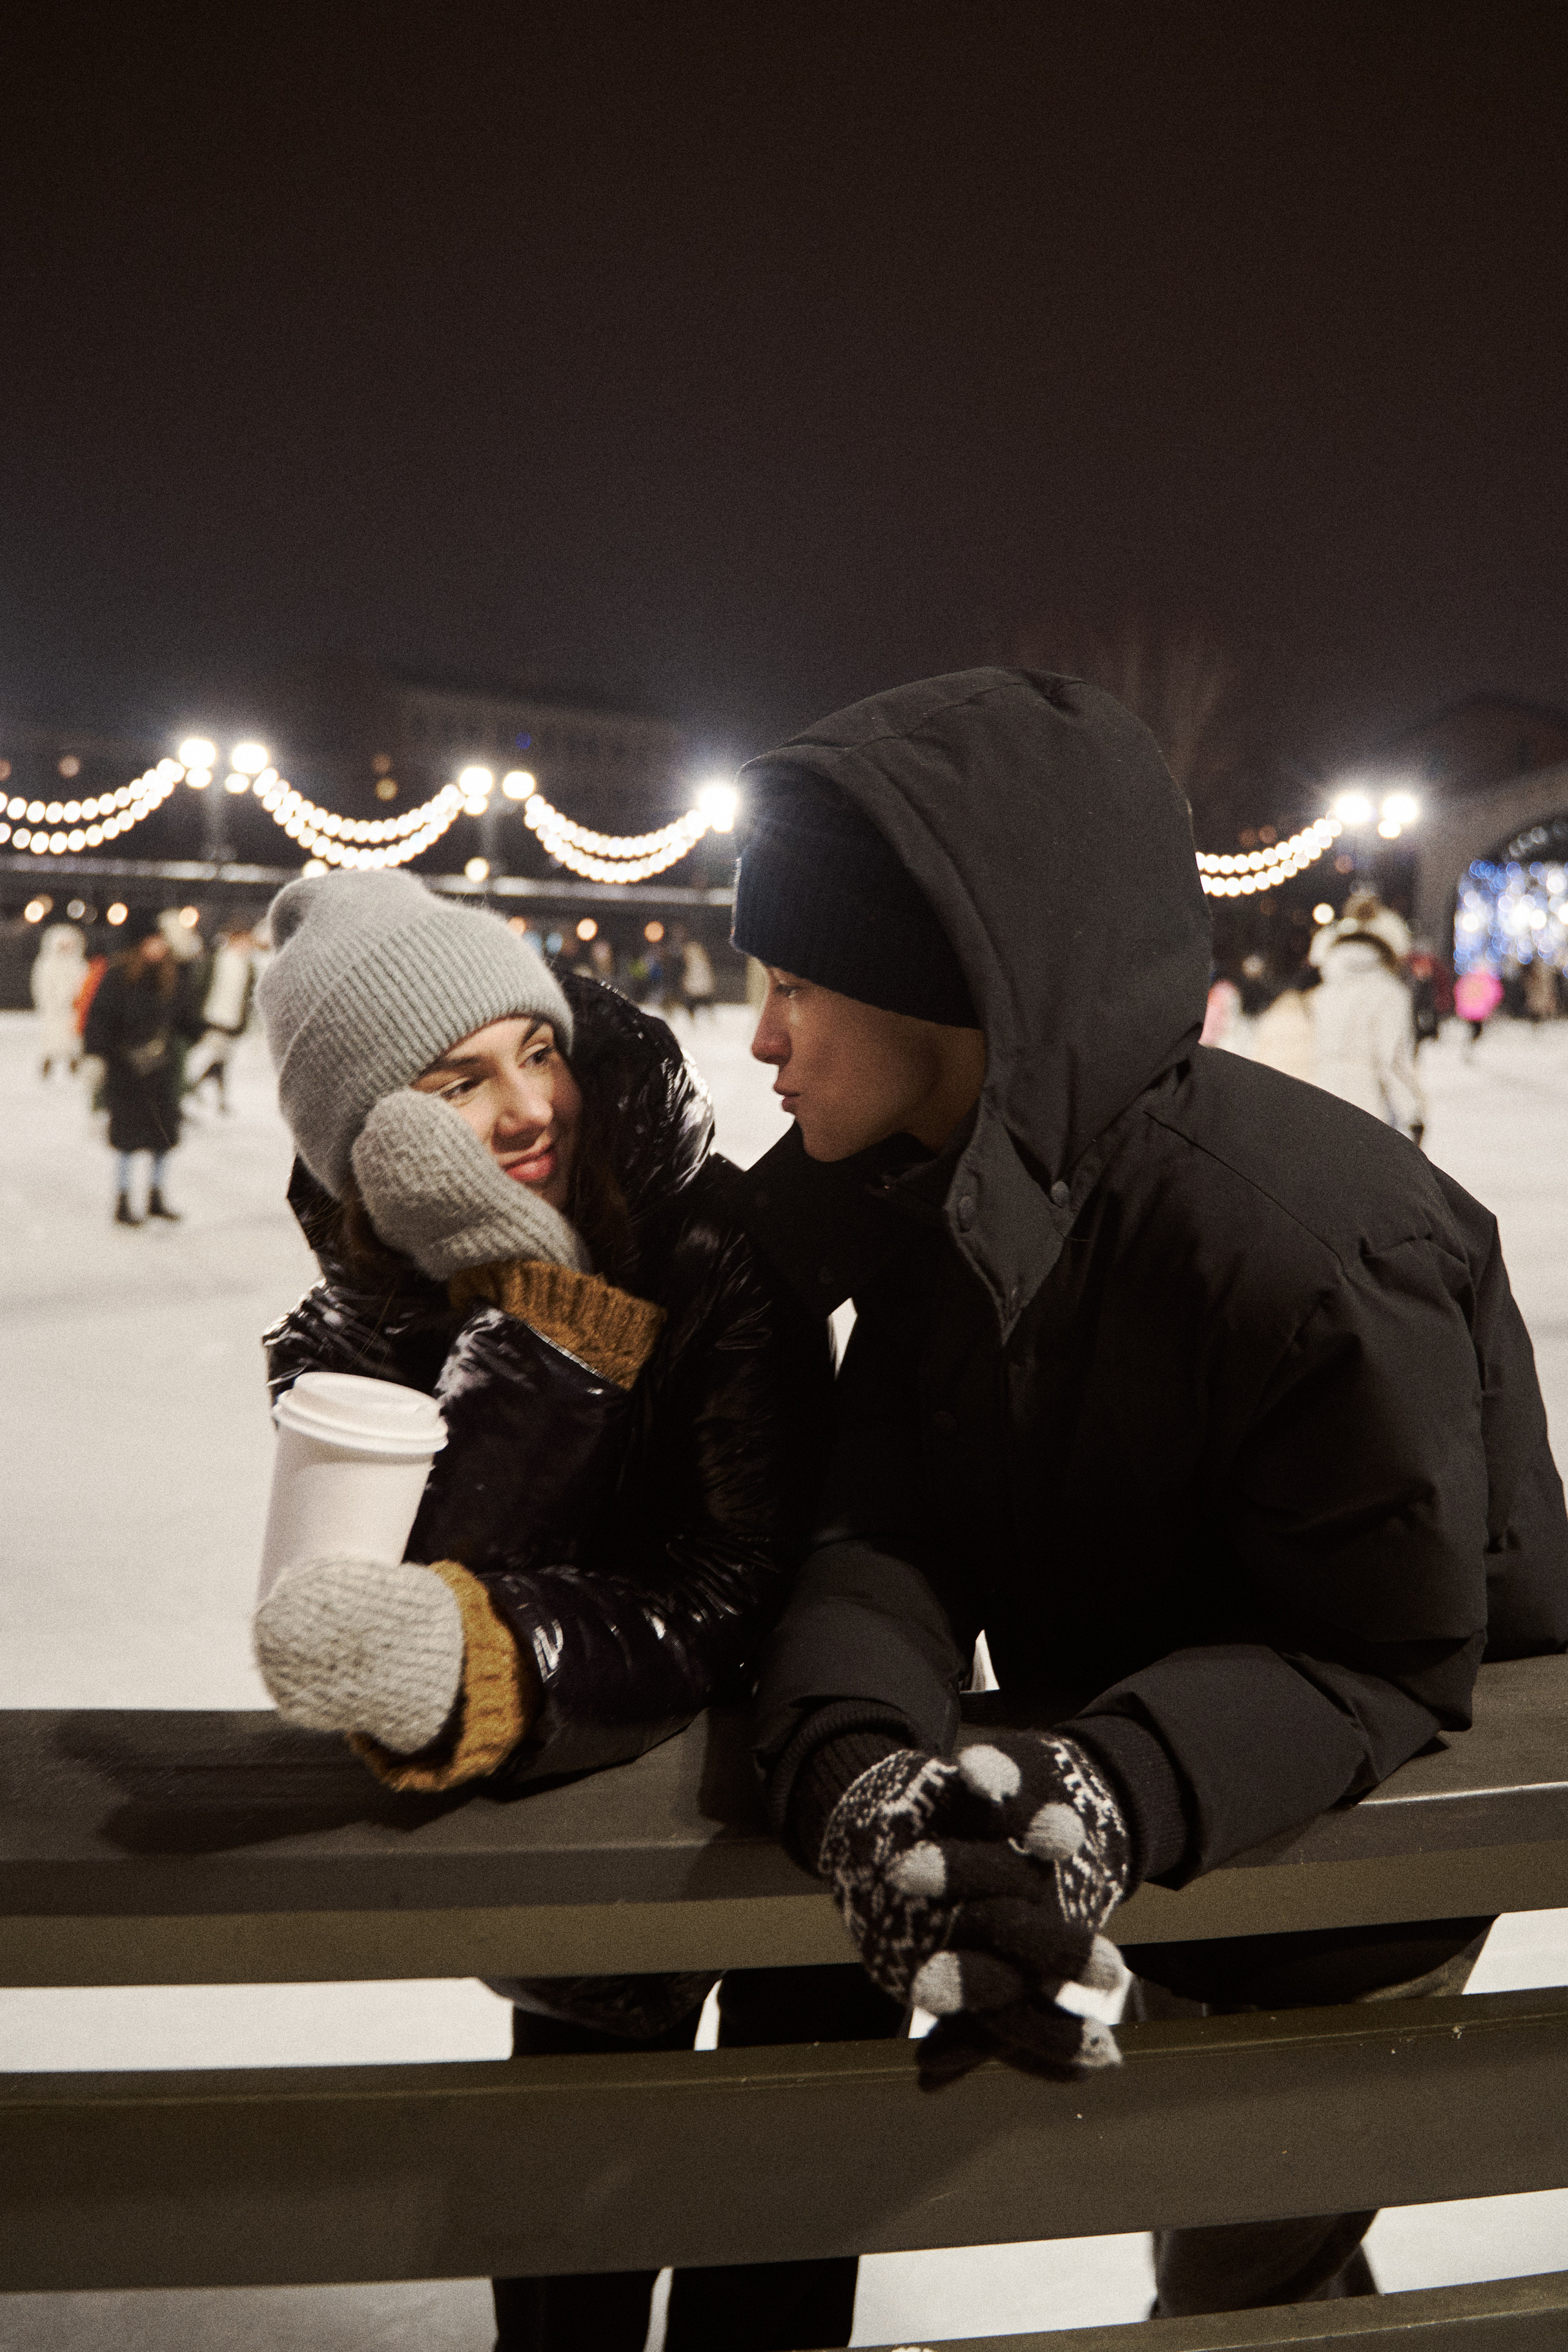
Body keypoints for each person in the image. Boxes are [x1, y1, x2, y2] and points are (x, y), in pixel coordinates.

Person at [726, 668, 1567, 2322]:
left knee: (1240, 2271)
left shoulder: (1310, 1248)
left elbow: (1384, 1655)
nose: (760, 1035)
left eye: (798, 983)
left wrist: (1100, 1791)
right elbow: (883, 1534)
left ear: (951, 982)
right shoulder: (936, 1210)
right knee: (1253, 2257)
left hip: (1358, 1854)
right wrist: (857, 1769)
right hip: (1146, 1804)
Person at [247, 870, 884, 2352]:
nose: (529, 1105)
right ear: (368, 1138)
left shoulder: (717, 1246)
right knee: (569, 2243)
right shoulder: (350, 1329)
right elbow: (404, 1613)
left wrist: (487, 1652)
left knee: (778, 2246)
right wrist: (525, 1302)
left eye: (536, 1050)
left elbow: (732, 1584)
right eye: (457, 1083)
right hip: (576, 1812)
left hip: (787, 1798)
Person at [81, 923, 205, 1225]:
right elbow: (100, 1017)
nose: (158, 948)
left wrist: (202, 1029)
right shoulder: (118, 976)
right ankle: (123, 1200)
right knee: (127, 1138)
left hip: (161, 1071)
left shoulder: (172, 976)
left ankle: (156, 1196)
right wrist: (96, 1053)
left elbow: (184, 1016)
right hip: (126, 1071)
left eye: (161, 942)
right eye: (152, 941)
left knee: (162, 1137)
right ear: (139, 945)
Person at [1310, 927, 1426, 1143]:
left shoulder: (1325, 994)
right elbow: (1393, 1060)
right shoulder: (1390, 993)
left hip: (1322, 1097)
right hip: (1369, 1103)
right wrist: (1412, 1112)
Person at [185, 922, 258, 1110]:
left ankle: (203, 1090)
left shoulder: (249, 967)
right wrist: (196, 1013)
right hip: (212, 1017)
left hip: (233, 1021)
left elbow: (247, 997)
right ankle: (200, 1091)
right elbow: (201, 985)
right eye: (243, 942)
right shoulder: (217, 960)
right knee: (209, 1056)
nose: (246, 947)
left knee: (221, 1059)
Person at [30, 922, 87, 1077]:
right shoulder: (46, 965)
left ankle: (74, 1066)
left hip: (74, 1011)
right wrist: (50, 1004)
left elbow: (85, 985)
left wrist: (78, 1001)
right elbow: (41, 987)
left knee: (74, 1040)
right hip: (53, 1011)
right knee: (51, 1038)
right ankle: (48, 1064)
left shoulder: (79, 965)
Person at [1454, 962, 1504, 1054]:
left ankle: (1470, 1044)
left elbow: (1458, 992)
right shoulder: (1489, 981)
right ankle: (1472, 1045)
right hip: (1480, 1011)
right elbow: (1495, 995)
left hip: (1467, 1010)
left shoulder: (1467, 979)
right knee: (1478, 1029)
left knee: (1473, 1028)